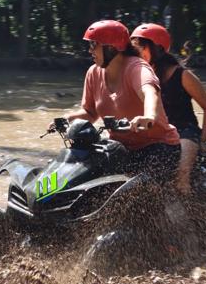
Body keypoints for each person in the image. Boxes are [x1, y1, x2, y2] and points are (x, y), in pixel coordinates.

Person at [59, 20, 180, 180]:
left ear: (111, 47)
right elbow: (90, 112)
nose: (90, 50)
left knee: (133, 191)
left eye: (94, 44)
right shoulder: (93, 73)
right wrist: (67, 118)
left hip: (158, 147)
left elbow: (150, 92)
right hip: (120, 148)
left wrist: (149, 116)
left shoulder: (137, 67)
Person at [130, 23, 206, 194]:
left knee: (181, 180)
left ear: (156, 49)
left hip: (185, 132)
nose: (135, 55)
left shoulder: (183, 75)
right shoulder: (137, 75)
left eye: (140, 49)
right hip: (157, 132)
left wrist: (203, 141)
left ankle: (191, 213)